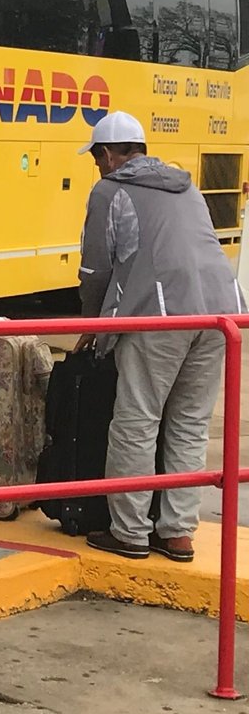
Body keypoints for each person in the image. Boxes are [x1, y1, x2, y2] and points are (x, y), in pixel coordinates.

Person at [74, 110, 243, 562]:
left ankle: (129, 532)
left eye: (95, 158)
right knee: (189, 424)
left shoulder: (110, 189)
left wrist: (92, 324)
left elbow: (96, 269)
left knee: (137, 420)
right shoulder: (185, 186)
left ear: (108, 155)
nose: (96, 166)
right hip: (223, 314)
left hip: (162, 315)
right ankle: (177, 533)